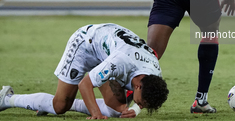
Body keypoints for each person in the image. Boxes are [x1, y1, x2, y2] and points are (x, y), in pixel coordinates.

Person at [0, 23, 168, 119]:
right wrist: (95, 113)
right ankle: (7, 98)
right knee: (59, 106)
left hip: (108, 51)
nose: (141, 106)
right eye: (141, 103)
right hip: (85, 44)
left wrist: (136, 109)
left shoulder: (154, 77)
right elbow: (85, 84)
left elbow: (142, 98)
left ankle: (46, 104)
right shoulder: (121, 62)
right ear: (138, 86)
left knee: (118, 110)